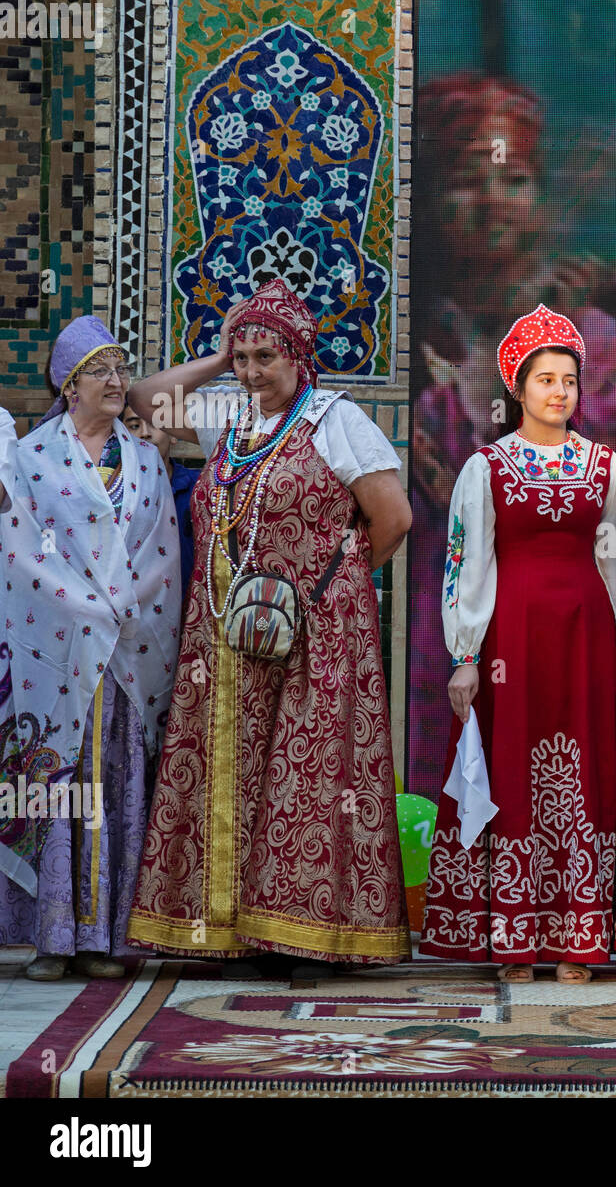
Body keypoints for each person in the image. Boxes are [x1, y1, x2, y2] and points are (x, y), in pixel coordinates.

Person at [126, 278, 412, 971]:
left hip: (315, 638)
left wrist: (329, 589)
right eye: (245, 357)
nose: (254, 372)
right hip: (227, 637)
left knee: (303, 778)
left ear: (299, 356)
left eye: (265, 357)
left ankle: (304, 933)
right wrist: (220, 360)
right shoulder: (231, 414)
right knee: (238, 772)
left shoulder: (337, 422)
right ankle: (227, 927)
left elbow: (393, 519)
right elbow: (144, 400)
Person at [406, 73, 616, 788]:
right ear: (427, 200)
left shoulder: (594, 343)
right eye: (465, 182)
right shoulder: (400, 337)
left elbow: (610, 489)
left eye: (514, 180)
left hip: (551, 611)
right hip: (428, 616)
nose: (492, 204)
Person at [420, 305, 616, 984]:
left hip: (587, 641)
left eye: (570, 381)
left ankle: (579, 938)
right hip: (510, 643)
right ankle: (514, 939)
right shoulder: (484, 468)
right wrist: (465, 658)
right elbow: (466, 566)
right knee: (515, 774)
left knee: (579, 778)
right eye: (545, 379)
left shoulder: (603, 467)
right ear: (516, 388)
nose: (559, 392)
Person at [0, 318, 182, 980]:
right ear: (69, 384)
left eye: (120, 368)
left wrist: (124, 609)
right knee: (59, 785)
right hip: (58, 652)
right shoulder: (32, 458)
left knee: (114, 786)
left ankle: (106, 939)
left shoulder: (144, 459)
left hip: (125, 652)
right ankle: (54, 936)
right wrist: (79, 605)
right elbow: (19, 553)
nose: (116, 381)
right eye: (100, 371)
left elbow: (162, 553)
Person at [123, 404, 200, 589]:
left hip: (191, 605)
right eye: (134, 426)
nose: (145, 433)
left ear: (174, 433)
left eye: (154, 424)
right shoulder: (115, 494)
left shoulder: (199, 486)